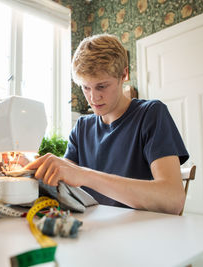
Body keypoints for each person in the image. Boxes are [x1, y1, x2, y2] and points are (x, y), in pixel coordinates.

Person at [25, 34, 189, 215]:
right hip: (92, 230)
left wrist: (85, 175)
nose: (93, 98)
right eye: (85, 87)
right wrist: (30, 170)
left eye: (102, 86)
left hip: (142, 233)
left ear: (124, 75)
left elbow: (173, 199)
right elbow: (63, 186)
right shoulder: (82, 127)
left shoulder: (151, 114)